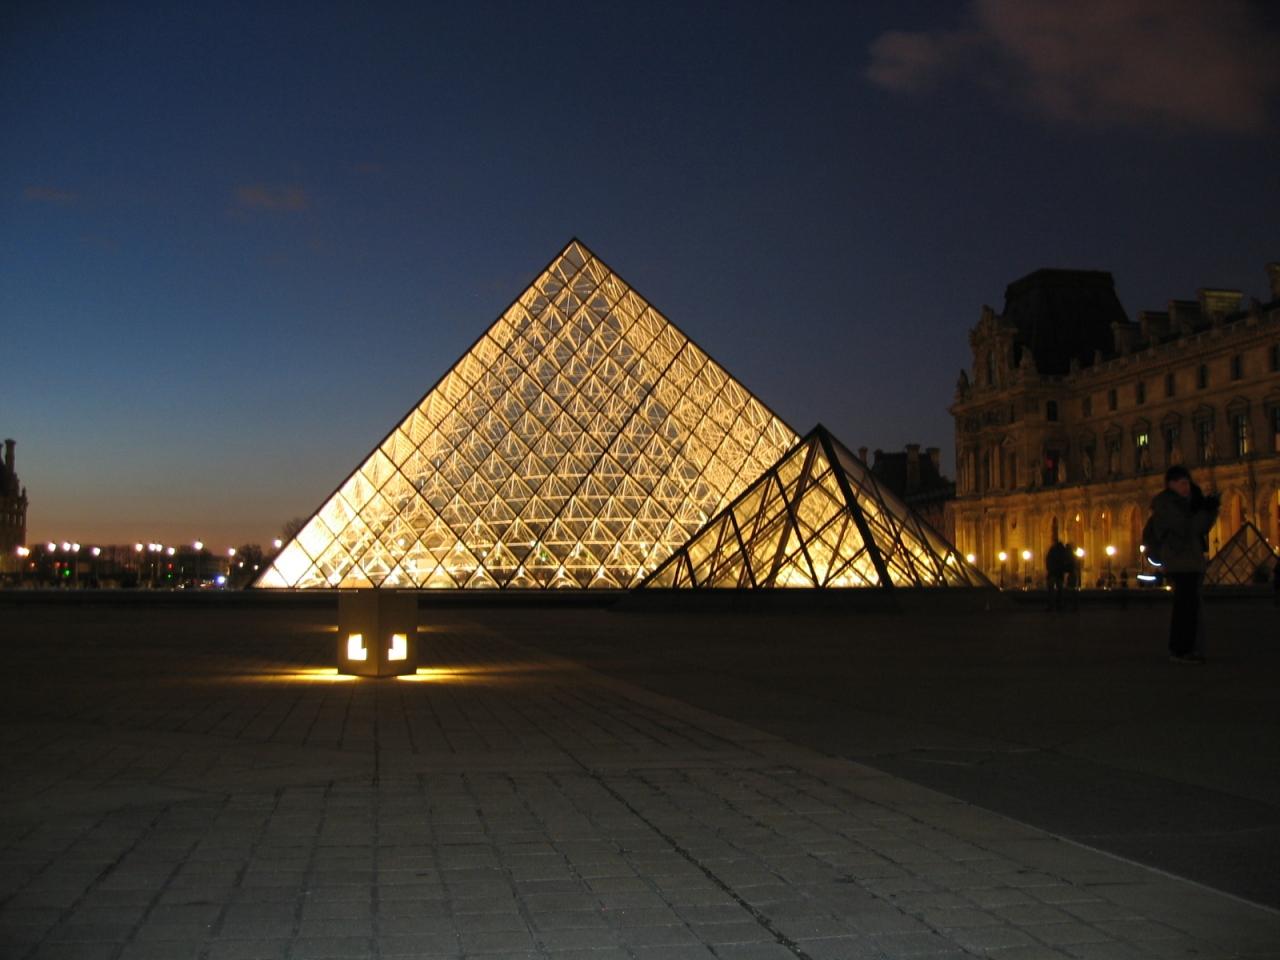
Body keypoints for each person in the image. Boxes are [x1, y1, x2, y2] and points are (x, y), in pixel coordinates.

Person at [1147, 465, 1219, 663]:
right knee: (1185, 608)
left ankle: (1186, 648)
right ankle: (1180, 650)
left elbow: (1200, 529)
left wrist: (1210, 511)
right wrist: (1206, 511)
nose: (1187, 487)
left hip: (1189, 560)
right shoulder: (1166, 504)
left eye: (1188, 483)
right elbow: (1188, 528)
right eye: (1183, 483)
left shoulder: (1181, 503)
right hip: (1180, 561)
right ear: (1171, 484)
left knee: (1189, 607)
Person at [1045, 537, 1070, 611]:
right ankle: (1060, 605)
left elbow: (1048, 560)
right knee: (1060, 590)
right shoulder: (1062, 551)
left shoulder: (1052, 550)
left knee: (1051, 590)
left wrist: (1049, 569)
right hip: (1059, 573)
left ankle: (1051, 606)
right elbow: (1065, 561)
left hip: (1052, 573)